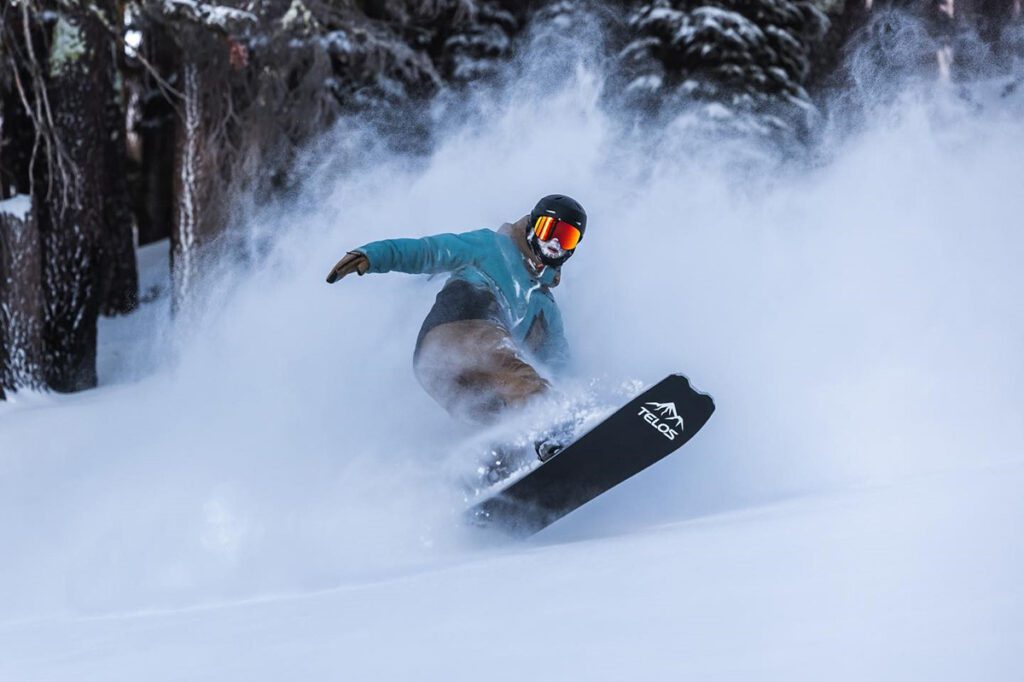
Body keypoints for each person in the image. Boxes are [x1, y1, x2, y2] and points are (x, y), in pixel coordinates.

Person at [326, 194, 585, 437]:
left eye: (567, 238)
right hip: (458, 330)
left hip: (437, 372)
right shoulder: (490, 246)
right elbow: (429, 251)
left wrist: (575, 390)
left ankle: (507, 461)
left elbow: (557, 357)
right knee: (518, 377)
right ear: (532, 226)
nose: (555, 243)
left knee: (499, 421)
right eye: (549, 230)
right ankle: (553, 423)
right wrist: (373, 255)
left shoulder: (545, 306)